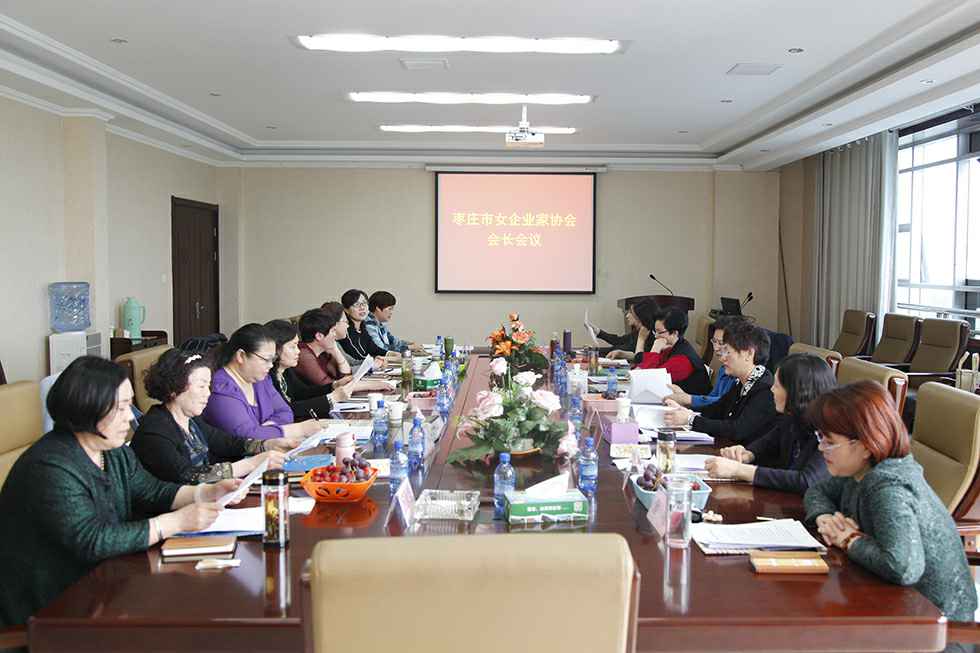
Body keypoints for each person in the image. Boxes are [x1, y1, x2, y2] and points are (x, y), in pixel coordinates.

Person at [0, 356, 241, 627]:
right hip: (50, 611)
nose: (130, 416)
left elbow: (153, 491)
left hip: (104, 588)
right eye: (121, 407)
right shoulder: (50, 466)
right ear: (88, 407)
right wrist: (174, 522)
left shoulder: (112, 452)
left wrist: (204, 493)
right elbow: (93, 540)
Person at [803, 381, 977, 622]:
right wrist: (826, 518)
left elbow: (903, 567)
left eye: (830, 442)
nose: (821, 448)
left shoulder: (889, 488)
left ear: (865, 445)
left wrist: (849, 539)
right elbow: (817, 491)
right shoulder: (860, 470)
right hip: (895, 603)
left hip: (936, 624)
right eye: (820, 437)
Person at [132, 349, 301, 484]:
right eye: (201, 386)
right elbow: (187, 475)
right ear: (173, 389)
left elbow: (226, 442)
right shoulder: (154, 431)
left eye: (209, 386)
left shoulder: (190, 420)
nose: (208, 393)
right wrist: (252, 463)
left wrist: (267, 444)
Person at [704, 353, 835, 493]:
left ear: (797, 392)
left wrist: (739, 470)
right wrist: (747, 454)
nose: (772, 389)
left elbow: (806, 481)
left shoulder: (832, 431)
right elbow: (768, 443)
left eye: (777, 385)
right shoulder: (792, 418)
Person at [202, 323, 322, 440]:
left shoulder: (260, 379)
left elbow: (285, 412)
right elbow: (247, 436)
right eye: (266, 360)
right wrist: (298, 429)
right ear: (241, 356)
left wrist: (265, 431)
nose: (271, 365)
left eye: (273, 359)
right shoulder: (221, 389)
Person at [663, 321, 778, 444]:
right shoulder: (742, 382)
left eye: (727, 352)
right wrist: (685, 411)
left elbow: (737, 429)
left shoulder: (765, 389)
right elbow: (716, 409)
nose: (722, 358)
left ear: (749, 353)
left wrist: (691, 419)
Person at [265, 319, 354, 420]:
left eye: (297, 345)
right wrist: (332, 398)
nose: (298, 351)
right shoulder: (267, 377)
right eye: (292, 347)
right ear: (275, 349)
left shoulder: (286, 370)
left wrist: (334, 386)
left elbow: (303, 393)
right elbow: (289, 410)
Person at [294, 306, 392, 393]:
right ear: (319, 336)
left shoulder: (324, 352)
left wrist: (335, 351)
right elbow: (330, 386)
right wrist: (372, 385)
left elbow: (345, 376)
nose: (335, 334)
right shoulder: (303, 354)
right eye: (333, 331)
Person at [665, 317, 739, 409]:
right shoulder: (723, 368)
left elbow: (726, 404)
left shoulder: (744, 377)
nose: (716, 348)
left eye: (721, 343)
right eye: (714, 341)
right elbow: (712, 400)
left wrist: (689, 399)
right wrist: (684, 397)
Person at [634, 308, 711, 395]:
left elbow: (647, 381)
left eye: (660, 332)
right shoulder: (671, 347)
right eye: (655, 332)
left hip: (690, 403)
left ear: (674, 333)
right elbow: (641, 370)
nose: (656, 336)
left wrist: (655, 350)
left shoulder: (682, 360)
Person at [585, 300, 657, 359]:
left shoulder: (648, 335)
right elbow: (618, 341)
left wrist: (595, 351)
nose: (627, 316)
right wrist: (597, 332)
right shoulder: (637, 332)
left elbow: (635, 356)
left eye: (631, 313)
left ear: (640, 316)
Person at [337, 289, 388, 366]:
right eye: (356, 304)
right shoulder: (344, 331)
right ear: (346, 310)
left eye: (364, 303)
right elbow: (357, 358)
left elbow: (374, 349)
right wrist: (375, 360)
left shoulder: (363, 328)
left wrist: (392, 354)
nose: (362, 307)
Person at [363, 290, 420, 356]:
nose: (391, 312)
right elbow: (381, 348)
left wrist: (409, 344)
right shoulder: (369, 324)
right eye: (390, 309)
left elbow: (392, 341)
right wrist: (408, 347)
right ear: (378, 308)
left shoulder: (379, 323)